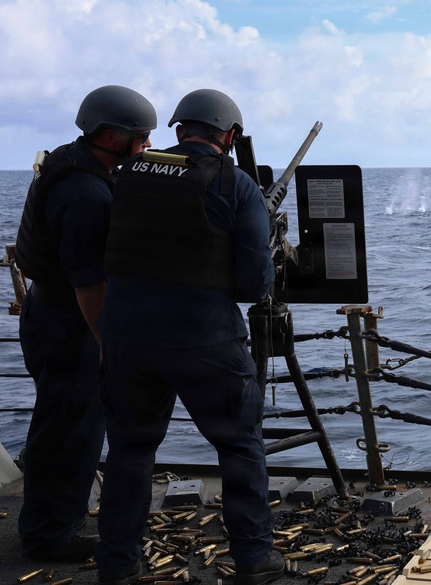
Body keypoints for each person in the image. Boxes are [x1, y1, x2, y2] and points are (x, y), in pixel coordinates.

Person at [95, 89, 282, 585]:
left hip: (126, 337)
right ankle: (254, 558)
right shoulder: (235, 183)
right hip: (205, 339)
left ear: (179, 130)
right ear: (230, 135)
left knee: (130, 451)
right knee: (240, 447)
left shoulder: (125, 175)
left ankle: (116, 566)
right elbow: (253, 285)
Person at [14, 85, 155, 562]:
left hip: (49, 312)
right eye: (142, 137)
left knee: (65, 425)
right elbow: (88, 285)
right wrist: (107, 344)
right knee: (67, 432)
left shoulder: (69, 162)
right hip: (70, 325)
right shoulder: (85, 194)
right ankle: (50, 537)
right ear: (114, 138)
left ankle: (53, 521)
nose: (148, 146)